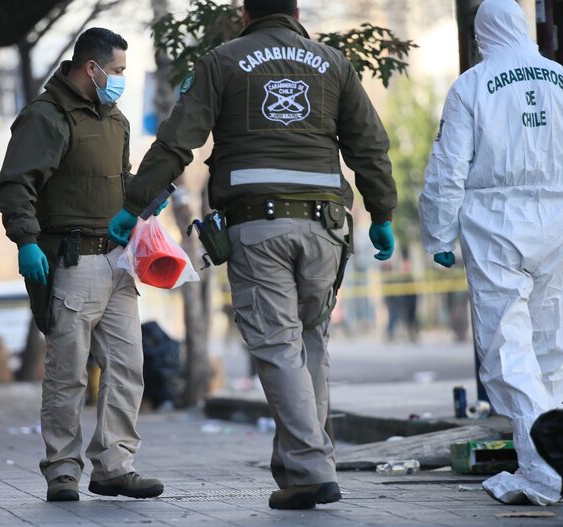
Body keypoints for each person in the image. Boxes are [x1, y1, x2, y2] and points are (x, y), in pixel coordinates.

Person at [110, 0, 396, 510]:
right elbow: (369, 145)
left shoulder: (222, 61)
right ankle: (301, 469)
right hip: (327, 227)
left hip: (259, 226)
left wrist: (135, 205)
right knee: (310, 341)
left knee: (278, 346)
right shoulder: (334, 63)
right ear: (297, 14)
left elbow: (178, 143)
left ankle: (311, 469)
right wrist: (383, 213)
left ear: (245, 14)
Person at [0, 27, 164, 502]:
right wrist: (26, 241)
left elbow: (120, 179)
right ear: (92, 68)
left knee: (127, 368)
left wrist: (144, 198)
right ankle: (62, 470)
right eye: (117, 70)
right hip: (71, 262)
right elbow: (15, 185)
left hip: (118, 263)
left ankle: (114, 466)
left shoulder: (117, 121)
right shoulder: (45, 117)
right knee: (67, 374)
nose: (121, 79)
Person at [419, 0, 563, 506]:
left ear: (483, 32)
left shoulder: (472, 85)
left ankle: (546, 470)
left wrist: (439, 234)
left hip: (496, 223)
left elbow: (448, 167)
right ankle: (555, 464)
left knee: (506, 351)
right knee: (550, 351)